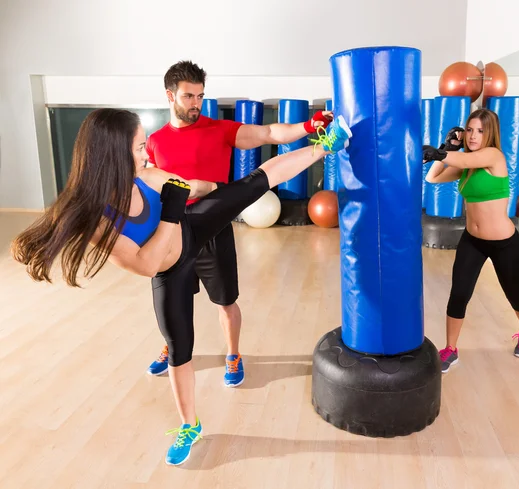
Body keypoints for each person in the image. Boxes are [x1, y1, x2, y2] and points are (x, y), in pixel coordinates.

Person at [11, 108, 352, 465]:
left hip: (191, 229)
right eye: (140, 147)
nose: (146, 154)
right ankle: (190, 425)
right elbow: (147, 264)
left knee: (252, 184)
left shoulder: (148, 177)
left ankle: (328, 145)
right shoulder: (101, 219)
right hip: (168, 271)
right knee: (179, 349)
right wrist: (171, 214)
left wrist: (217, 192)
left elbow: (190, 187)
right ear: (112, 154)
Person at [145, 60, 334, 386]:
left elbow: (269, 133)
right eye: (189, 96)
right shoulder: (155, 142)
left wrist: (308, 125)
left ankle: (232, 353)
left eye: (200, 96)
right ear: (169, 96)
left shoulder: (218, 129)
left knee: (226, 301)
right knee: (173, 300)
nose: (196, 103)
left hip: (214, 227)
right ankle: (170, 345)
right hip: (173, 233)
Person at [422, 108, 519, 374]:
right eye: (469, 130)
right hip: (472, 240)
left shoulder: (493, 156)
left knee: (514, 295)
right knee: (458, 293)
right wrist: (445, 147)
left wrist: (444, 154)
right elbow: (432, 177)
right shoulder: (465, 165)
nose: (473, 136)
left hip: (504, 242)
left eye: (480, 131)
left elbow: (462, 161)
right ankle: (451, 349)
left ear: (490, 133)